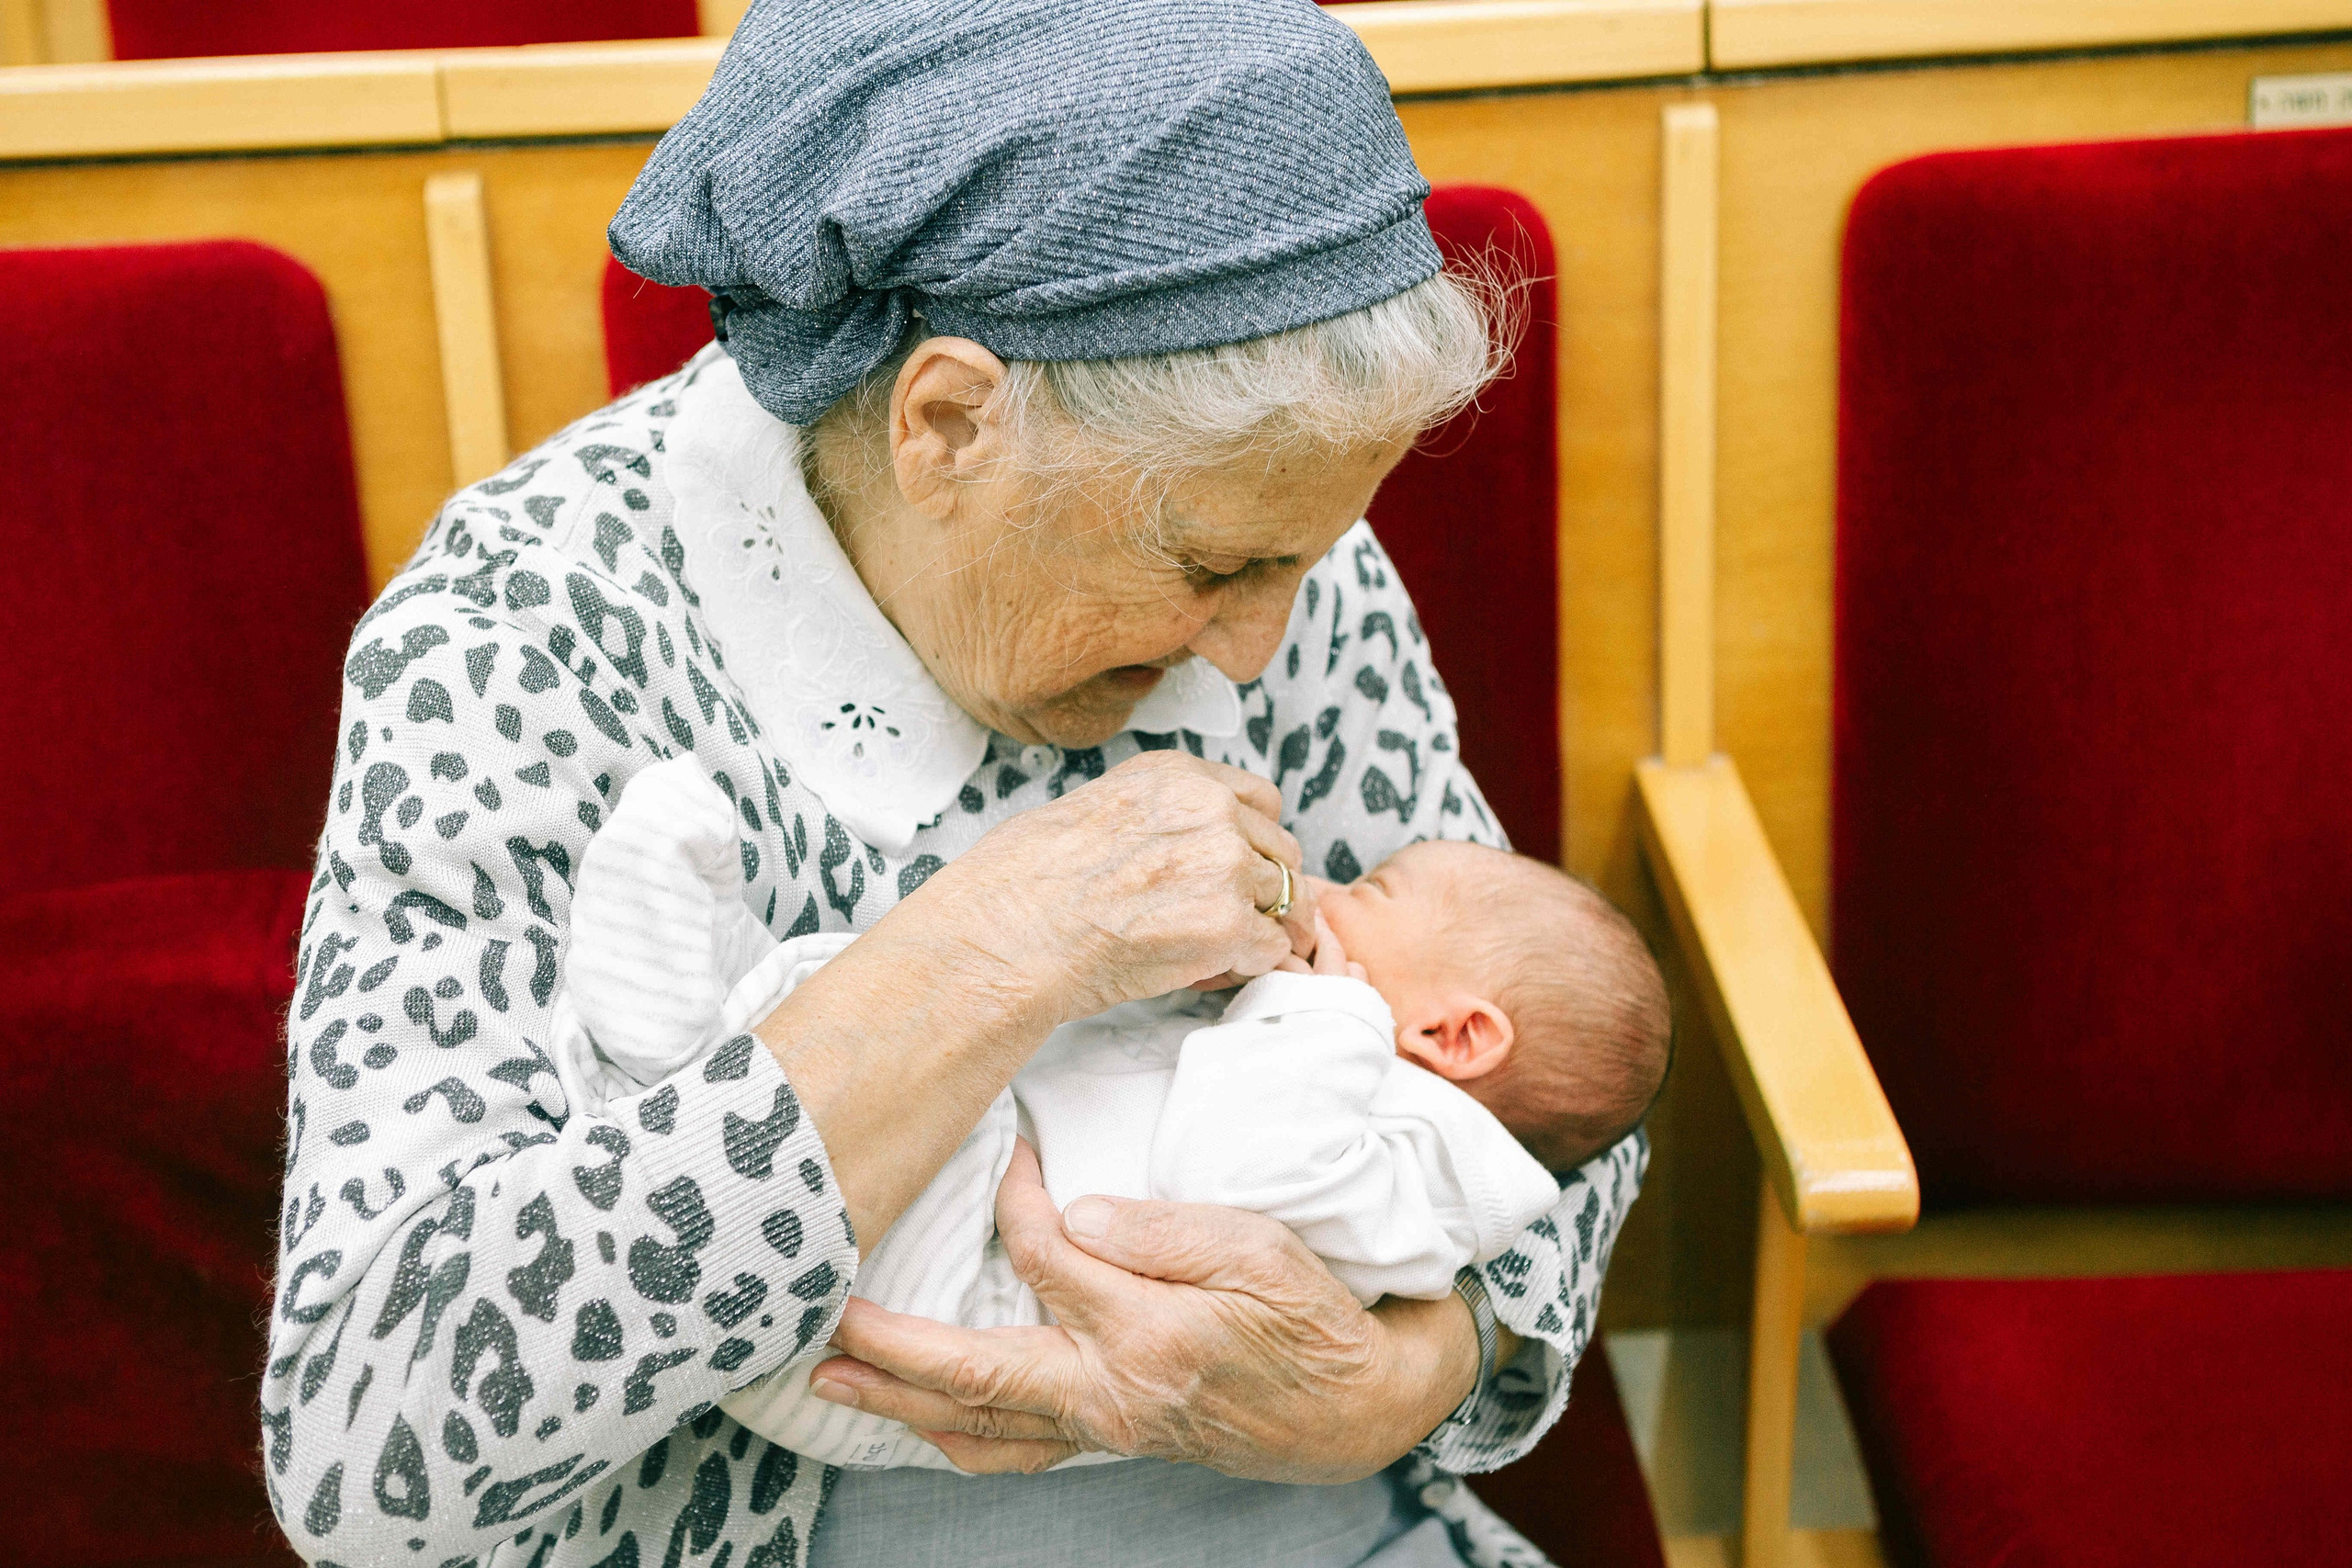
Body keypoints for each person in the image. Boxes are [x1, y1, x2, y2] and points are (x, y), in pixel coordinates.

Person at [264, 1, 1648, 1562]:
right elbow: (369, 1460)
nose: (1264, 648)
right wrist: (987, 953)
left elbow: (1551, 1061)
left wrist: (1413, 1375)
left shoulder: (1268, 506)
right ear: (946, 420)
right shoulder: (530, 629)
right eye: (1215, 567)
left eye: (1297, 568)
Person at [548, 759, 1671, 1475]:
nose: (1321, 893)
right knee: (899, 1024)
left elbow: (1238, 1162)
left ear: (1458, 1038)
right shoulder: (1342, 1064)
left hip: (953, 1318)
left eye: (1363, 898)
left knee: (942, 1078)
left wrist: (1314, 1003)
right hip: (916, 1262)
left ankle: (663, 1065)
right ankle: (699, 1051)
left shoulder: (1417, 1164)